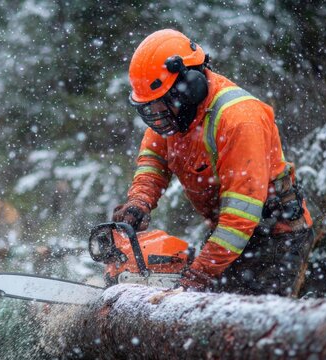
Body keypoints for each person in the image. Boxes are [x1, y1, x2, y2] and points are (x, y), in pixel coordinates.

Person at [112, 29, 314, 297]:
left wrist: (201, 274)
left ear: (189, 88)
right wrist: (139, 202)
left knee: (249, 323)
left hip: (275, 235)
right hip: (229, 231)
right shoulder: (174, 119)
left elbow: (242, 214)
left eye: (162, 106)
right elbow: (153, 161)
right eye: (152, 110)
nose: (158, 117)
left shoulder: (239, 119)